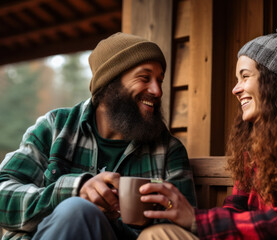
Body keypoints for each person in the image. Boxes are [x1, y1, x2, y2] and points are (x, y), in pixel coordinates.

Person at [137, 20, 277, 239]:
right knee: (157, 234)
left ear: (276, 82)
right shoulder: (261, 136)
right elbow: (237, 207)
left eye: (245, 76)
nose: (235, 89)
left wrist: (197, 220)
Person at [0, 32, 196, 239]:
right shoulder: (54, 127)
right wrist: (74, 191)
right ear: (110, 83)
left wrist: (108, 219)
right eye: (144, 78)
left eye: (160, 80)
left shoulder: (168, 151)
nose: (157, 91)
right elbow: (3, 193)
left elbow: (179, 226)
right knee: (76, 210)